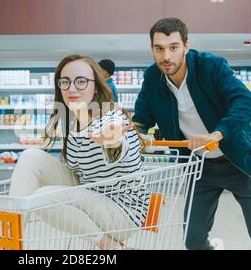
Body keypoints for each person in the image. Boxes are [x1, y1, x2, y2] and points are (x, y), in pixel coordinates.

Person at [132, 17, 251, 250]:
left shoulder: (210, 66)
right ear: (152, 49)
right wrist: (127, 132)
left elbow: (245, 102)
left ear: (186, 46)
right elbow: (142, 119)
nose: (166, 57)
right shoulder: (152, 78)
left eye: (173, 47)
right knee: (192, 241)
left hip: (239, 163)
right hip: (199, 168)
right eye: (159, 49)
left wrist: (216, 135)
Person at [9, 54, 150, 250]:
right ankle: (9, 239)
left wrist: (112, 142)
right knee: (30, 155)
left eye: (81, 81)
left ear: (96, 86)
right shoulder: (73, 122)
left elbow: (119, 150)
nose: (72, 88)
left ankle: (111, 246)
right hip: (91, 192)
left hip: (122, 211)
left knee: (42, 197)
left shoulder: (112, 118)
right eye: (65, 82)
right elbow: (77, 170)